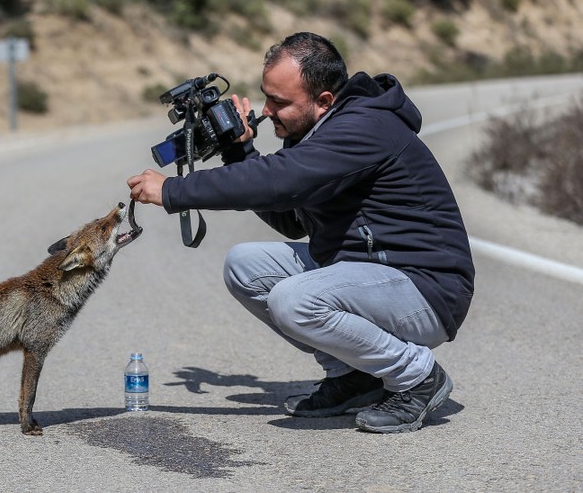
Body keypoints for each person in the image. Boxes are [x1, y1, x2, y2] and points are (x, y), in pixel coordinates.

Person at [127, 32, 475, 433]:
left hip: (425, 289)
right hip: (367, 273)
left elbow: (278, 180)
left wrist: (173, 191)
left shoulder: (363, 127)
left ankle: (417, 377)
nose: (266, 111)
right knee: (244, 265)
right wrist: (240, 150)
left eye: (280, 102)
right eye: (266, 97)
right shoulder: (318, 133)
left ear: (324, 100)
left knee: (293, 300)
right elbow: (292, 218)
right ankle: (353, 377)